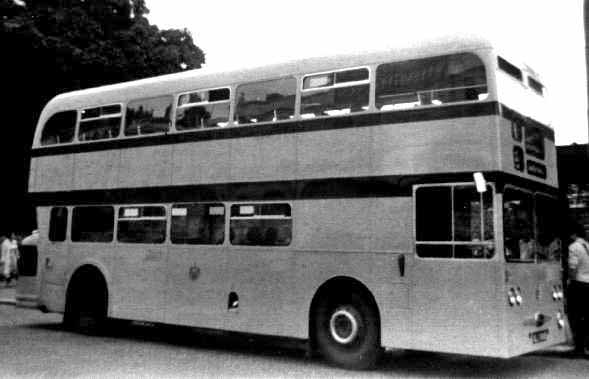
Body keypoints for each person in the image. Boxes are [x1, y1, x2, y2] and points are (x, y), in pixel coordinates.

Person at [567, 223, 589, 357]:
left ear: (574, 234)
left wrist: (569, 279)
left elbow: (573, 267)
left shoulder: (574, 247)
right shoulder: (588, 246)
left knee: (575, 316)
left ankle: (579, 347)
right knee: (587, 316)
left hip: (578, 284)